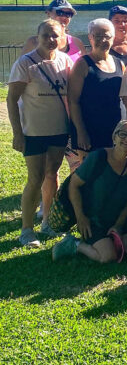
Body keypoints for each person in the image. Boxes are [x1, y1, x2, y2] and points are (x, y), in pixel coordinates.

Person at [9, 19, 73, 247]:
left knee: (52, 175)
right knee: (35, 179)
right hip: (33, 132)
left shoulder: (66, 61)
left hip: (58, 130)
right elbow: (12, 98)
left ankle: (47, 222)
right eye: (46, 35)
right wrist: (18, 133)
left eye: (55, 35)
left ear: (62, 37)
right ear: (38, 37)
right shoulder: (25, 63)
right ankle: (26, 230)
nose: (51, 39)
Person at [51, 119, 127, 263]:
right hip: (93, 218)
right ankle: (73, 244)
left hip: (117, 215)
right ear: (114, 137)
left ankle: (109, 239)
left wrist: (118, 225)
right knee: (107, 257)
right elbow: (73, 186)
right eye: (123, 134)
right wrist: (81, 217)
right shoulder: (98, 157)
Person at [68, 19, 124, 163]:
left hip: (113, 128)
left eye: (107, 36)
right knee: (90, 175)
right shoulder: (82, 64)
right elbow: (73, 101)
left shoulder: (119, 63)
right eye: (97, 36)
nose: (103, 40)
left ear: (113, 38)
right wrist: (81, 132)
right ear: (90, 37)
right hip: (89, 129)